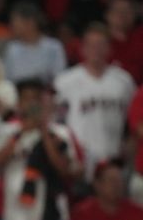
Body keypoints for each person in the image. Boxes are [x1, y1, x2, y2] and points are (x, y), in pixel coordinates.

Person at [0, 79, 82, 220]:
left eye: (36, 98)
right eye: (27, 98)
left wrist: (44, 131)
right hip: (16, 210)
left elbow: (65, 170)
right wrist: (22, 131)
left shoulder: (59, 132)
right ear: (19, 103)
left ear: (43, 102)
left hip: (51, 208)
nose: (32, 103)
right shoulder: (7, 131)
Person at [54, 22, 135, 178]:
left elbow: (132, 123)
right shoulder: (65, 81)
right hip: (80, 164)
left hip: (114, 162)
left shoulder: (123, 81)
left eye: (100, 45)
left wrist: (128, 149)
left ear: (109, 48)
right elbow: (57, 123)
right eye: (91, 45)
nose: (95, 50)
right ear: (83, 48)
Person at [2, 1, 66, 84]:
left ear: (30, 23)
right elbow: (6, 79)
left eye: (15, 22)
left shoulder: (54, 47)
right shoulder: (11, 49)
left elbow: (60, 78)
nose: (12, 26)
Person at [71, 159, 143, 220]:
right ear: (97, 184)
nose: (116, 185)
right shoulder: (82, 214)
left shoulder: (137, 213)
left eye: (119, 180)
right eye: (111, 180)